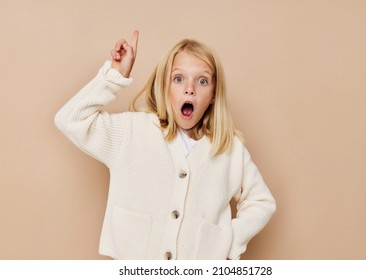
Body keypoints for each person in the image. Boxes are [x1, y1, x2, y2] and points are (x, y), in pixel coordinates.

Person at [54, 30, 276, 260]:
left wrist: (229, 241)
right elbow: (70, 120)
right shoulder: (131, 132)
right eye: (179, 79)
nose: (190, 88)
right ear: (164, 86)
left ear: (213, 94)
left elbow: (262, 203)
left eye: (202, 81)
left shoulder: (230, 150)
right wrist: (114, 76)